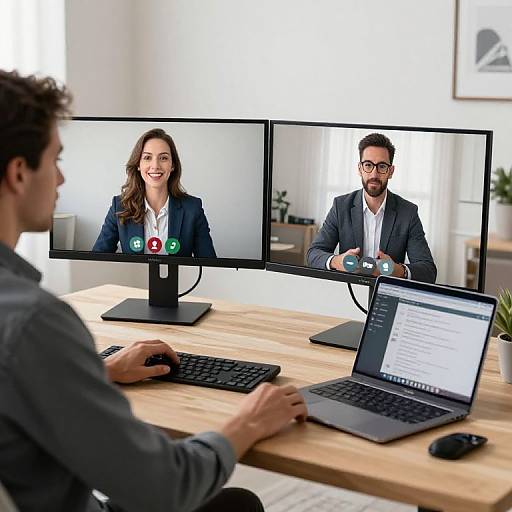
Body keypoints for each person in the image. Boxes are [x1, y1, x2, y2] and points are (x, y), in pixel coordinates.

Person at [0, 70, 307, 512]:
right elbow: (167, 487)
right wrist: (247, 422)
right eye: (55, 160)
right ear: (18, 173)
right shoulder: (37, 323)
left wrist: (99, 373)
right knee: (239, 505)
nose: (62, 180)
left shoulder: (190, 208)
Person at [307, 132, 437, 283]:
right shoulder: (340, 206)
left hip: (386, 294)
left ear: (390, 171)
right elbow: (313, 254)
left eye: (381, 166)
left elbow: (428, 271)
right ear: (360, 168)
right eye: (368, 165)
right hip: (347, 292)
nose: (374, 174)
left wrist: (397, 270)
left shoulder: (408, 212)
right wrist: (337, 261)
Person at [92, 128, 216, 257]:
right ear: (138, 165)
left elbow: (209, 264)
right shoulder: (119, 206)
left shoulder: (193, 208)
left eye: (163, 158)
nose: (155, 165)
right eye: (147, 157)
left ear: (172, 165)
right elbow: (96, 259)